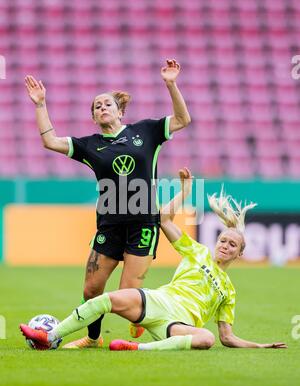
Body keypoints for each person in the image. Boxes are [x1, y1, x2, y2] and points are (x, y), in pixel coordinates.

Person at [20, 168, 287, 351]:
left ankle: (136, 347)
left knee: (206, 338)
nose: (225, 246)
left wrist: (259, 346)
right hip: (158, 301)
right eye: (223, 241)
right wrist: (184, 191)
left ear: (240, 253)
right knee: (105, 299)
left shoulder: (229, 291)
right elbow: (163, 219)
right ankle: (49, 336)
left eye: (233, 245)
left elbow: (226, 337)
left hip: (176, 326)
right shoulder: (197, 252)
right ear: (216, 242)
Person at [24, 59, 191, 349]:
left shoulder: (146, 132)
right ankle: (93, 338)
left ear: (120, 111)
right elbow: (50, 141)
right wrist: (40, 104)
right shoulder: (90, 144)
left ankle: (153, 326)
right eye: (97, 106)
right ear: (93, 117)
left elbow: (182, 120)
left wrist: (171, 84)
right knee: (91, 289)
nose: (102, 108)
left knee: (126, 295)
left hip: (143, 223)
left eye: (107, 104)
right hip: (109, 224)